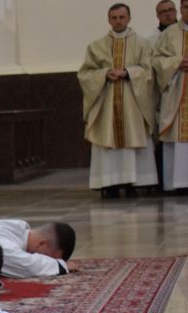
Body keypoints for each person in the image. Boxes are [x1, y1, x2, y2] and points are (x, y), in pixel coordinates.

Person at [78, 4, 158, 198]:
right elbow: (85, 74)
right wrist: (104, 74)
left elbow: (149, 72)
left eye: (122, 17)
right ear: (109, 20)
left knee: (132, 139)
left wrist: (129, 72)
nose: (118, 21)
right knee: (107, 139)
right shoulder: (96, 46)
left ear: (129, 18)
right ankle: (109, 183)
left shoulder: (142, 44)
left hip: (132, 104)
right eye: (114, 17)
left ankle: (133, 182)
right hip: (106, 104)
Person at [0, 220, 78, 278]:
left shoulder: (17, 226)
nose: (47, 260)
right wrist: (59, 265)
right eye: (49, 257)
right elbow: (26, 266)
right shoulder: (3, 243)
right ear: (42, 243)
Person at [152, 1, 188, 190]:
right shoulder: (169, 34)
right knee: (176, 136)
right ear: (180, 9)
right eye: (186, 7)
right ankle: (179, 182)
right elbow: (157, 59)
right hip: (177, 93)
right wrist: (176, 63)